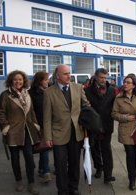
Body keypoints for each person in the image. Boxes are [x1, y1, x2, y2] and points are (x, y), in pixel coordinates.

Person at [43, 64, 90, 195]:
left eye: (69, 73)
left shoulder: (78, 87)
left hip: (76, 133)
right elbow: (47, 118)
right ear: (57, 76)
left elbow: (86, 105)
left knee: (75, 164)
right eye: (65, 74)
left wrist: (88, 119)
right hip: (58, 134)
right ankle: (62, 190)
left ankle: (73, 188)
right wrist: (47, 137)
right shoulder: (48, 92)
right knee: (60, 165)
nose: (69, 76)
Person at [0, 70, 40, 195]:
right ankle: (19, 180)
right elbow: (0, 112)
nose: (18, 82)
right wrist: (5, 127)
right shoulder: (5, 95)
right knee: (15, 158)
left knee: (29, 158)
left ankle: (31, 183)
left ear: (24, 81)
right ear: (11, 81)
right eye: (15, 80)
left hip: (27, 130)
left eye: (20, 79)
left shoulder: (27, 94)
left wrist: (36, 124)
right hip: (13, 131)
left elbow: (32, 112)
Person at [112, 74, 136, 191]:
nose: (125, 84)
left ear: (133, 85)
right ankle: (132, 179)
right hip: (126, 130)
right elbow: (114, 114)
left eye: (128, 82)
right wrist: (124, 117)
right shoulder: (119, 98)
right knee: (130, 155)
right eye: (124, 82)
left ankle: (134, 175)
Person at [84, 68, 116, 183]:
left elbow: (115, 107)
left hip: (107, 125)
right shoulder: (87, 91)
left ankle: (108, 174)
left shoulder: (112, 90)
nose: (103, 80)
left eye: (105, 77)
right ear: (96, 77)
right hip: (93, 125)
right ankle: (99, 167)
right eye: (101, 77)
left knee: (106, 149)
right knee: (95, 149)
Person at [29, 71, 52, 183]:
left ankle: (42, 169)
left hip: (47, 124)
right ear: (39, 81)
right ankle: (46, 172)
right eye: (46, 80)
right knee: (44, 148)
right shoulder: (31, 93)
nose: (48, 82)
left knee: (44, 148)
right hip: (37, 125)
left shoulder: (49, 91)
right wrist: (35, 124)